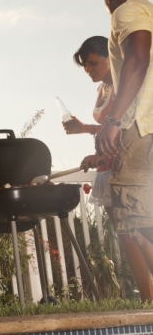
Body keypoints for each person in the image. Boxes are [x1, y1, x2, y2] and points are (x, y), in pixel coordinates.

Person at [65, 36, 153, 301]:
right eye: (85, 66)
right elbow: (107, 129)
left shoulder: (123, 86)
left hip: (125, 163)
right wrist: (85, 130)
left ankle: (150, 299)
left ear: (109, 58)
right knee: (127, 237)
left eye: (94, 63)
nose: (90, 70)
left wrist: (98, 155)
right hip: (107, 164)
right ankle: (148, 299)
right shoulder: (102, 90)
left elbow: (126, 129)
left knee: (140, 232)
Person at [95, 0, 153, 271]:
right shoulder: (148, 9)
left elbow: (138, 58)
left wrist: (113, 120)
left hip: (143, 126)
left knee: (139, 216)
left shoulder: (125, 11)